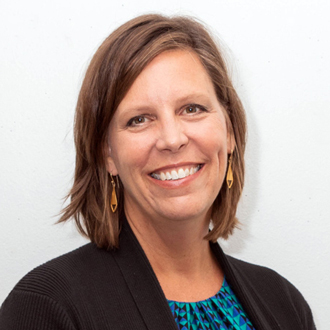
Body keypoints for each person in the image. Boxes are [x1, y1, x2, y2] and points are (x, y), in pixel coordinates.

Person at [0, 14, 315, 330]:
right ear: (106, 153)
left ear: (229, 131)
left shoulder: (284, 303)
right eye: (139, 119)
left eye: (192, 109)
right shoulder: (46, 306)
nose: (172, 139)